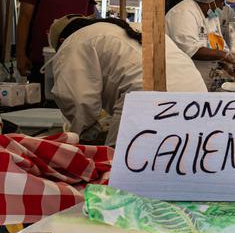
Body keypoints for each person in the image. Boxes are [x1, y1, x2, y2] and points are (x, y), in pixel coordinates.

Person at [48, 15, 206, 146]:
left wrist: (85, 133)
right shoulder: (132, 27)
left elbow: (78, 100)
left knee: (119, 176)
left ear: (61, 41)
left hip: (145, 105)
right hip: (199, 102)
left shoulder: (74, 42)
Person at [165, 0, 235, 82]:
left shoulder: (212, 15)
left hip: (209, 80)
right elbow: (192, 50)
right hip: (187, 81)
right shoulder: (183, 13)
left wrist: (229, 66)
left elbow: (219, 46)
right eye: (221, 1)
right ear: (211, 0)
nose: (222, 6)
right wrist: (226, 56)